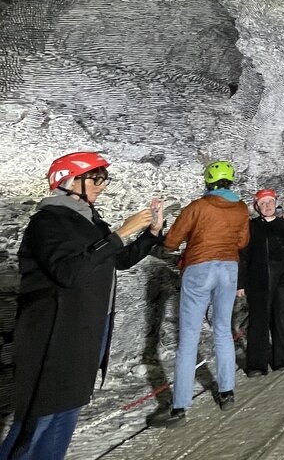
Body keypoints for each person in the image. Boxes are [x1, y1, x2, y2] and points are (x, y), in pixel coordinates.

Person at [0, 152, 163, 460]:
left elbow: (118, 260)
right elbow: (68, 272)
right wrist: (120, 234)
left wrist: (151, 234)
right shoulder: (48, 222)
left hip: (88, 326)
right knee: (38, 418)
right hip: (55, 332)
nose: (102, 185)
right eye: (95, 178)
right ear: (68, 181)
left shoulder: (90, 221)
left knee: (68, 411)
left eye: (104, 179)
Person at [152, 160, 249, 427]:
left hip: (200, 268)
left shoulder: (197, 206)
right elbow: (242, 241)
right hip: (228, 268)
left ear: (208, 181)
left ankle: (179, 407)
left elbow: (172, 241)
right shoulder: (241, 208)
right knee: (223, 329)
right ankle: (227, 392)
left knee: (189, 337)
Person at [237, 189, 284, 376]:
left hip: (281, 277)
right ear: (257, 207)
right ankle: (255, 365)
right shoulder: (251, 227)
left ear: (275, 203)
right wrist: (240, 283)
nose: (267, 206)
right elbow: (242, 256)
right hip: (259, 278)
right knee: (259, 320)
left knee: (283, 317)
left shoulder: (283, 224)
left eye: (270, 202)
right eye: (263, 203)